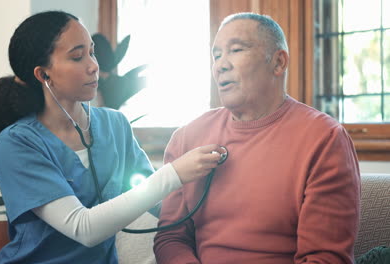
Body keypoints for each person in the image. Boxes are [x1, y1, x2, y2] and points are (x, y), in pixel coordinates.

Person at [0, 10, 224, 264]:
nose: (93, 66)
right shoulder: (16, 144)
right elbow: (84, 228)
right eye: (78, 57)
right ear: (43, 74)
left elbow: (158, 201)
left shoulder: (115, 124)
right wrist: (175, 173)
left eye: (92, 52)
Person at [153, 13, 361, 264]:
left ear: (278, 62)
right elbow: (170, 239)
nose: (220, 65)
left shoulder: (325, 139)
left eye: (236, 50)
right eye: (216, 55)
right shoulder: (186, 138)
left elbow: (325, 258)